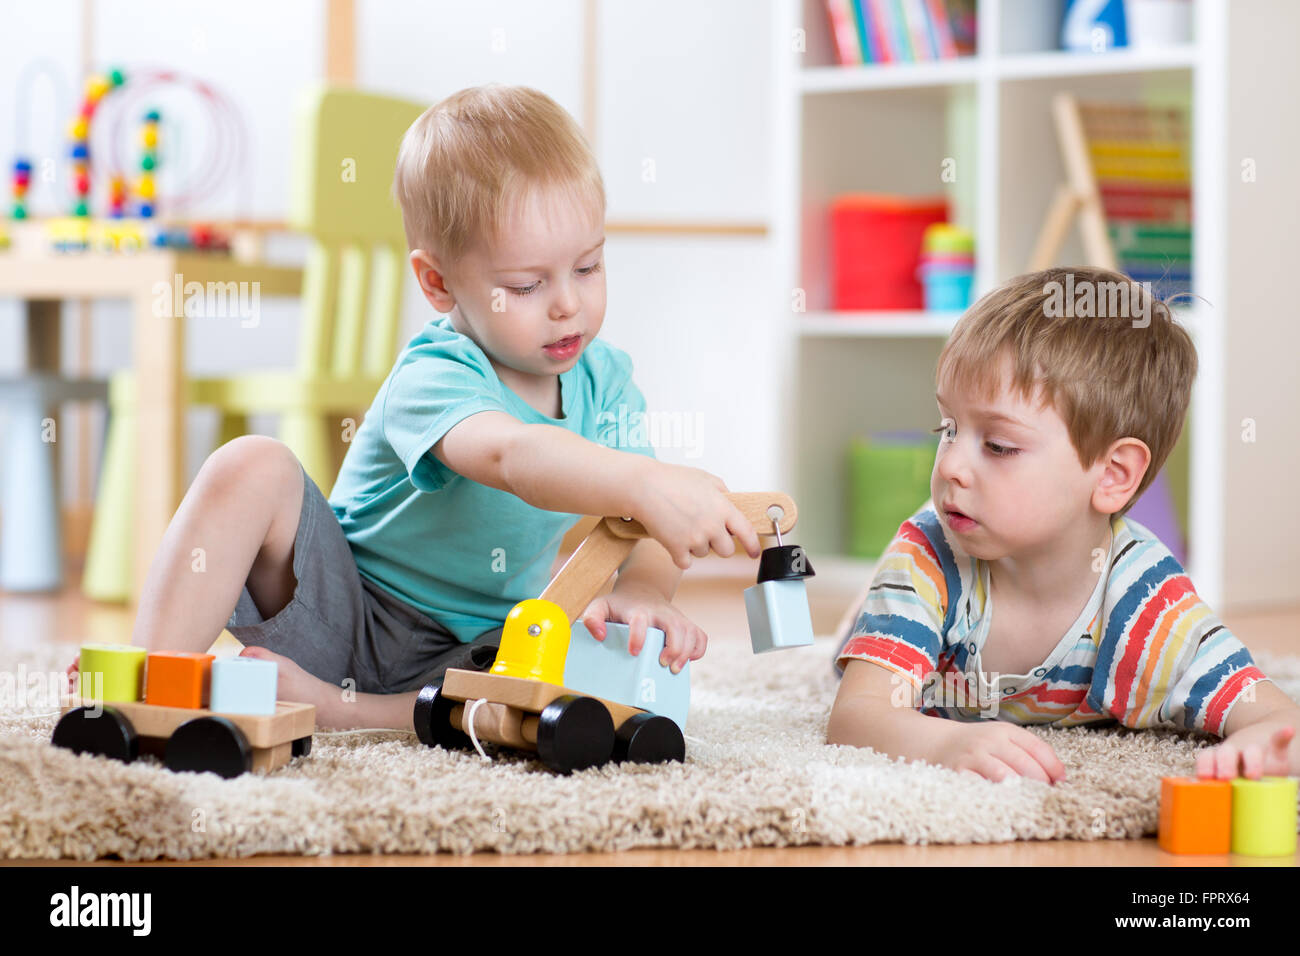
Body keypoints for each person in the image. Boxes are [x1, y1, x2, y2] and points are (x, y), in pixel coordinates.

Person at [68, 84, 759, 729]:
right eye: (524, 285)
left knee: (571, 687)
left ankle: (352, 714)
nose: (567, 303)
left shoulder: (604, 381)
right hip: (347, 612)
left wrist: (646, 588)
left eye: (587, 267)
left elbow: (639, 525)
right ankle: (152, 681)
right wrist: (643, 480)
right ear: (437, 283)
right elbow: (510, 454)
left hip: (485, 643)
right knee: (253, 463)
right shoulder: (436, 369)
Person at [827, 266, 1300, 784]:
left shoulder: (1146, 600)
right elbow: (856, 716)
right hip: (910, 598)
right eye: (949, 429)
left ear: (1113, 474)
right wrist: (944, 743)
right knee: (865, 633)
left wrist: (1263, 744)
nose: (949, 466)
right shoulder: (928, 555)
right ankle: (863, 617)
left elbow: (1275, 713)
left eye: (999, 445)